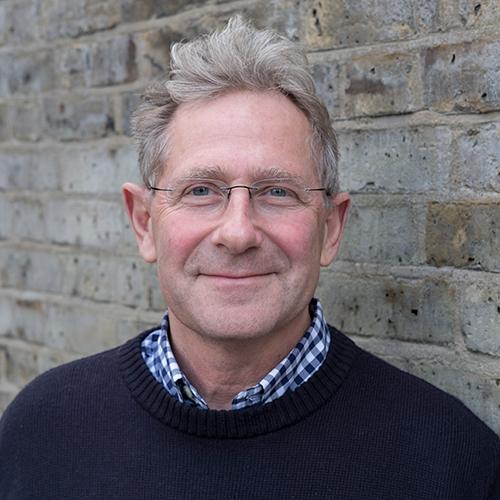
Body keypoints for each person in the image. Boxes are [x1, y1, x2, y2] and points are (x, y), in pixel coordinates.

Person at [0, 16, 498, 500]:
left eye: (277, 191)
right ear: (145, 222)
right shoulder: (42, 430)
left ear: (330, 228)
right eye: (200, 190)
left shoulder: (451, 461)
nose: (238, 233)